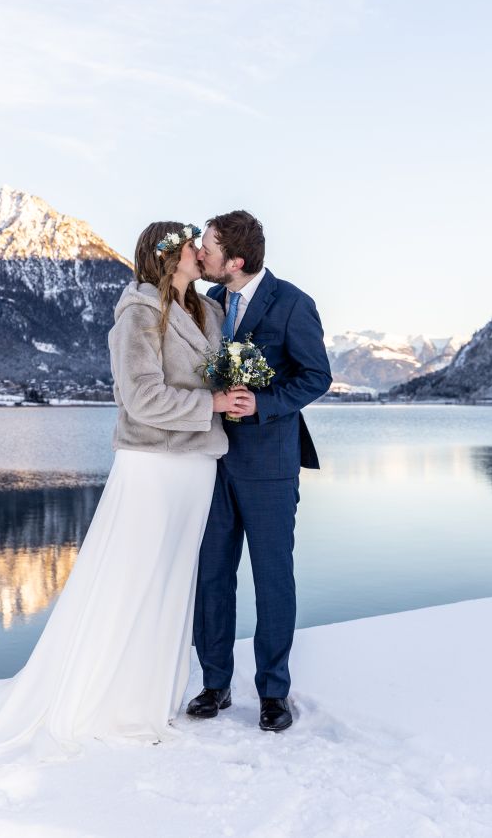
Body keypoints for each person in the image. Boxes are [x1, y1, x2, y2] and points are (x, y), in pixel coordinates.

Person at [0, 220, 244, 761]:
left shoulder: (207, 311)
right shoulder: (138, 313)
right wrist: (209, 406)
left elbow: (211, 374)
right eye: (189, 244)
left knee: (172, 579)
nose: (197, 249)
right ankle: (110, 701)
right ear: (167, 257)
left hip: (198, 466)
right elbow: (140, 399)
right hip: (152, 465)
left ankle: (153, 694)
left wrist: (232, 390)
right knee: (133, 577)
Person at [187, 210, 332, 732]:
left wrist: (263, 403)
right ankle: (215, 683)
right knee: (211, 574)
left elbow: (318, 376)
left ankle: (274, 692)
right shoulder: (208, 303)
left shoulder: (293, 304)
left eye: (207, 247)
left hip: (270, 465)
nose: (199, 253)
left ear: (236, 260)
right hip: (211, 460)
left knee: (272, 579)